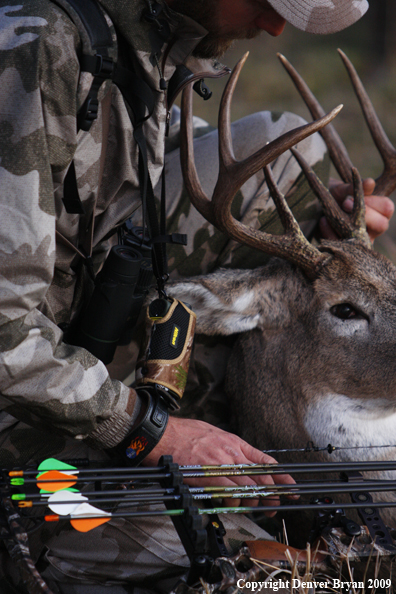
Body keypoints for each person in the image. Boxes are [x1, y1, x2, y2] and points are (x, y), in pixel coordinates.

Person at [0, 0, 393, 592]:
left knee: (286, 151)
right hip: (20, 447)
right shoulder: (34, 47)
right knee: (212, 551)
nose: (275, 25)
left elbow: (142, 148)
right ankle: (40, 527)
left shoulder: (142, 38)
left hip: (69, 377)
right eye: (264, 1)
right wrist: (145, 429)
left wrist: (317, 215)